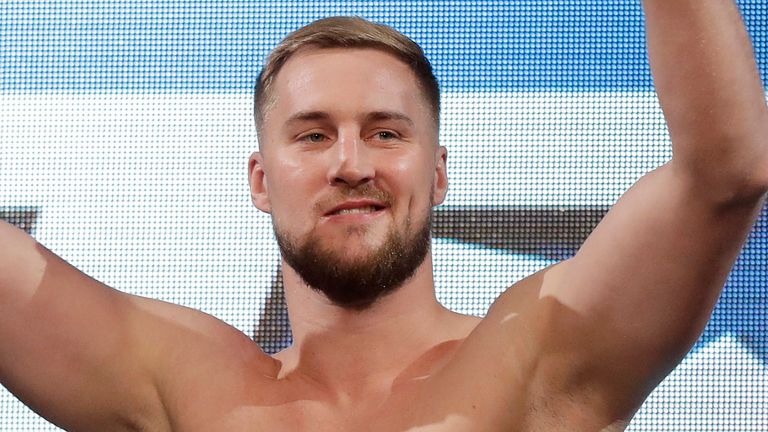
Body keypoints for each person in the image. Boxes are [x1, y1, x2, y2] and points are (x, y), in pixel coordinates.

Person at [1, 0, 766, 430]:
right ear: (261, 181)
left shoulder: (535, 356)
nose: (351, 163)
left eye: (386, 132)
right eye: (313, 135)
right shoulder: (183, 386)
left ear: (437, 176)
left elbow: (728, 173)